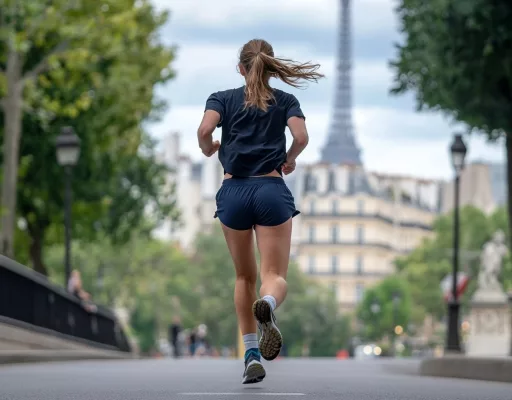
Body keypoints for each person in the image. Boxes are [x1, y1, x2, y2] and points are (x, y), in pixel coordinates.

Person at [197, 38, 323, 384]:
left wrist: (210, 148)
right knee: (274, 276)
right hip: (270, 191)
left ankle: (251, 352)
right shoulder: (286, 100)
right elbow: (301, 136)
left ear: (241, 68)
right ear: (271, 68)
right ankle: (267, 302)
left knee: (243, 277)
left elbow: (206, 130)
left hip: (233, 191)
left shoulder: (222, 98)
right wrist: (289, 160)